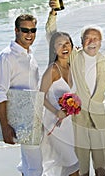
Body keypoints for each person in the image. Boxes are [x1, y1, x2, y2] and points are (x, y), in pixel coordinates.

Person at [45, 0, 105, 176]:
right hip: (78, 120)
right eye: (88, 38)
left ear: (101, 41)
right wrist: (53, 13)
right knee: (81, 168)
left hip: (99, 119)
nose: (92, 41)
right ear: (81, 41)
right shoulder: (73, 56)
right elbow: (52, 36)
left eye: (96, 38)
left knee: (102, 166)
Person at [0, 14, 43, 176]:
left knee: (28, 163)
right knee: (35, 167)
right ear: (16, 30)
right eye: (25, 30)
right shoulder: (7, 57)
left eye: (33, 30)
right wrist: (4, 127)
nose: (29, 34)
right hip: (19, 120)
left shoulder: (31, 54)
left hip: (34, 117)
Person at [40, 31, 79, 176]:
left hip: (69, 127)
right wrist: (56, 111)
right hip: (55, 126)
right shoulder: (53, 70)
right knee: (73, 166)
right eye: (59, 44)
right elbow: (40, 96)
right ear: (54, 49)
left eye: (67, 43)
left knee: (68, 167)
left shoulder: (71, 67)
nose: (64, 47)